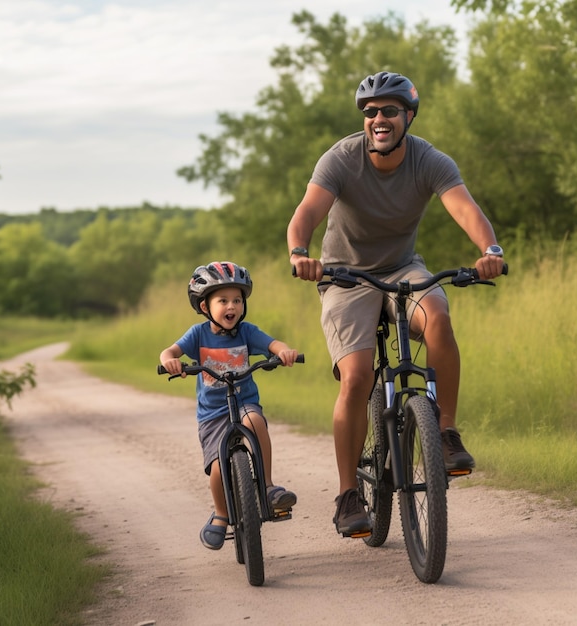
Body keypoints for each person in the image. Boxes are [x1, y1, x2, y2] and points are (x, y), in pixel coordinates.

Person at [287, 71, 506, 537]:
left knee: (439, 318)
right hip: (345, 275)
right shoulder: (341, 159)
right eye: (370, 112)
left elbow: (465, 208)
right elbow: (306, 212)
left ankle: (444, 433)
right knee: (358, 375)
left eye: (389, 111)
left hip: (403, 268)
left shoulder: (429, 160)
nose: (378, 119)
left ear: (408, 115)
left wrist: (491, 252)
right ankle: (348, 494)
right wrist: (300, 254)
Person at [159, 261, 298, 550]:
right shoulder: (198, 335)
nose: (231, 306)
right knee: (218, 470)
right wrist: (170, 361)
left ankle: (269, 487)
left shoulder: (246, 332)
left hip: (244, 403)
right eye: (222, 300)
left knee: (255, 422)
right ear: (204, 306)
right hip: (213, 415)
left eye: (237, 299)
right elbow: (170, 351)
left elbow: (272, 343)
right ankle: (221, 514)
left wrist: (283, 352)